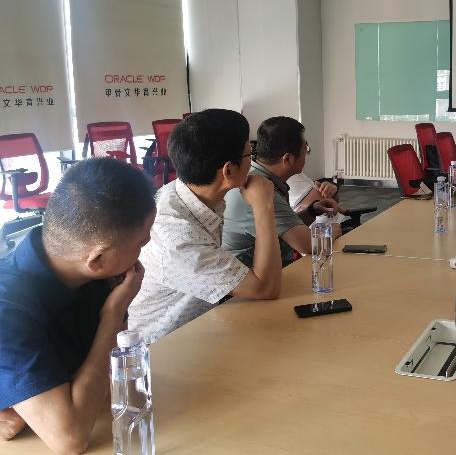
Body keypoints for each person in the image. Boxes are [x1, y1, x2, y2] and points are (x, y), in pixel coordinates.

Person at [0, 159, 155, 452]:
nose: (142, 253)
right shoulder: (7, 310)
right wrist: (112, 314)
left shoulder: (97, 276)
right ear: (97, 259)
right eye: (140, 244)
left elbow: (110, 384)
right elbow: (69, 439)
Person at [128, 109, 282, 344]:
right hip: (164, 350)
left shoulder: (185, 193)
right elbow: (266, 288)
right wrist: (264, 206)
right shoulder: (178, 236)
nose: (253, 161)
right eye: (250, 152)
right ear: (228, 170)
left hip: (202, 328)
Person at [223, 117, 341, 267]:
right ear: (288, 159)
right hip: (254, 275)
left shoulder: (260, 177)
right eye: (305, 149)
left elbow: (282, 227)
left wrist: (312, 211)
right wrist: (334, 229)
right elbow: (309, 245)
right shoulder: (261, 189)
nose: (306, 155)